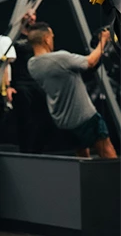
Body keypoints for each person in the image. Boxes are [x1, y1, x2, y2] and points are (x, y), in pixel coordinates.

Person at [27, 24, 117, 158]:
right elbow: (91, 62)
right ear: (46, 39)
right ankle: (115, 178)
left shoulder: (32, 65)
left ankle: (87, 178)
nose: (52, 40)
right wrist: (103, 40)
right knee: (106, 150)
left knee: (81, 154)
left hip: (63, 122)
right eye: (51, 37)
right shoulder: (60, 58)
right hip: (85, 116)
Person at [10, 10, 56, 153]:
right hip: (22, 85)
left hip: (39, 83)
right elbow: (6, 64)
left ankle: (41, 153)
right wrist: (8, 86)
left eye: (34, 13)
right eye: (27, 14)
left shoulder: (40, 38)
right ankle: (27, 154)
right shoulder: (13, 38)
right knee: (26, 122)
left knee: (44, 120)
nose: (31, 17)